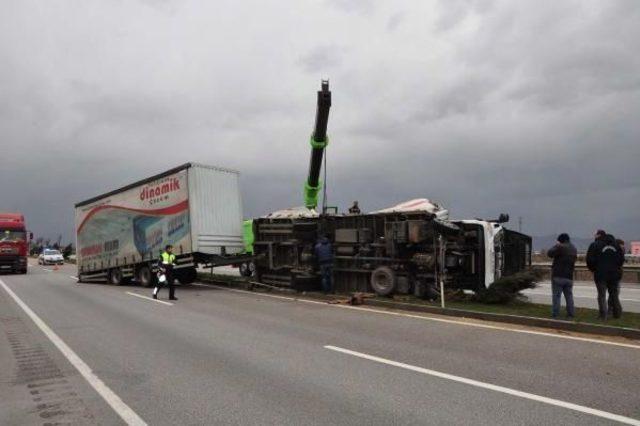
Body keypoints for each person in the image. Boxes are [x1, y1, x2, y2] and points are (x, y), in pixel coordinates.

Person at [587, 232, 624, 319]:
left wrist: (594, 269)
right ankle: (617, 314)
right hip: (614, 274)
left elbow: (590, 260)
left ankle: (603, 315)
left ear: (599, 236)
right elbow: (621, 259)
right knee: (614, 295)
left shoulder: (595, 245)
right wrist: (616, 268)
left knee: (601, 295)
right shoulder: (616, 246)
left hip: (601, 274)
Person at [547, 233, 577, 318]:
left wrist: (556, 245)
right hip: (569, 276)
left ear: (560, 240)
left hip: (558, 275)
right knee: (569, 296)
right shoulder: (574, 248)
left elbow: (549, 253)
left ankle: (555, 314)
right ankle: (571, 314)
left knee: (556, 296)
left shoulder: (560, 247)